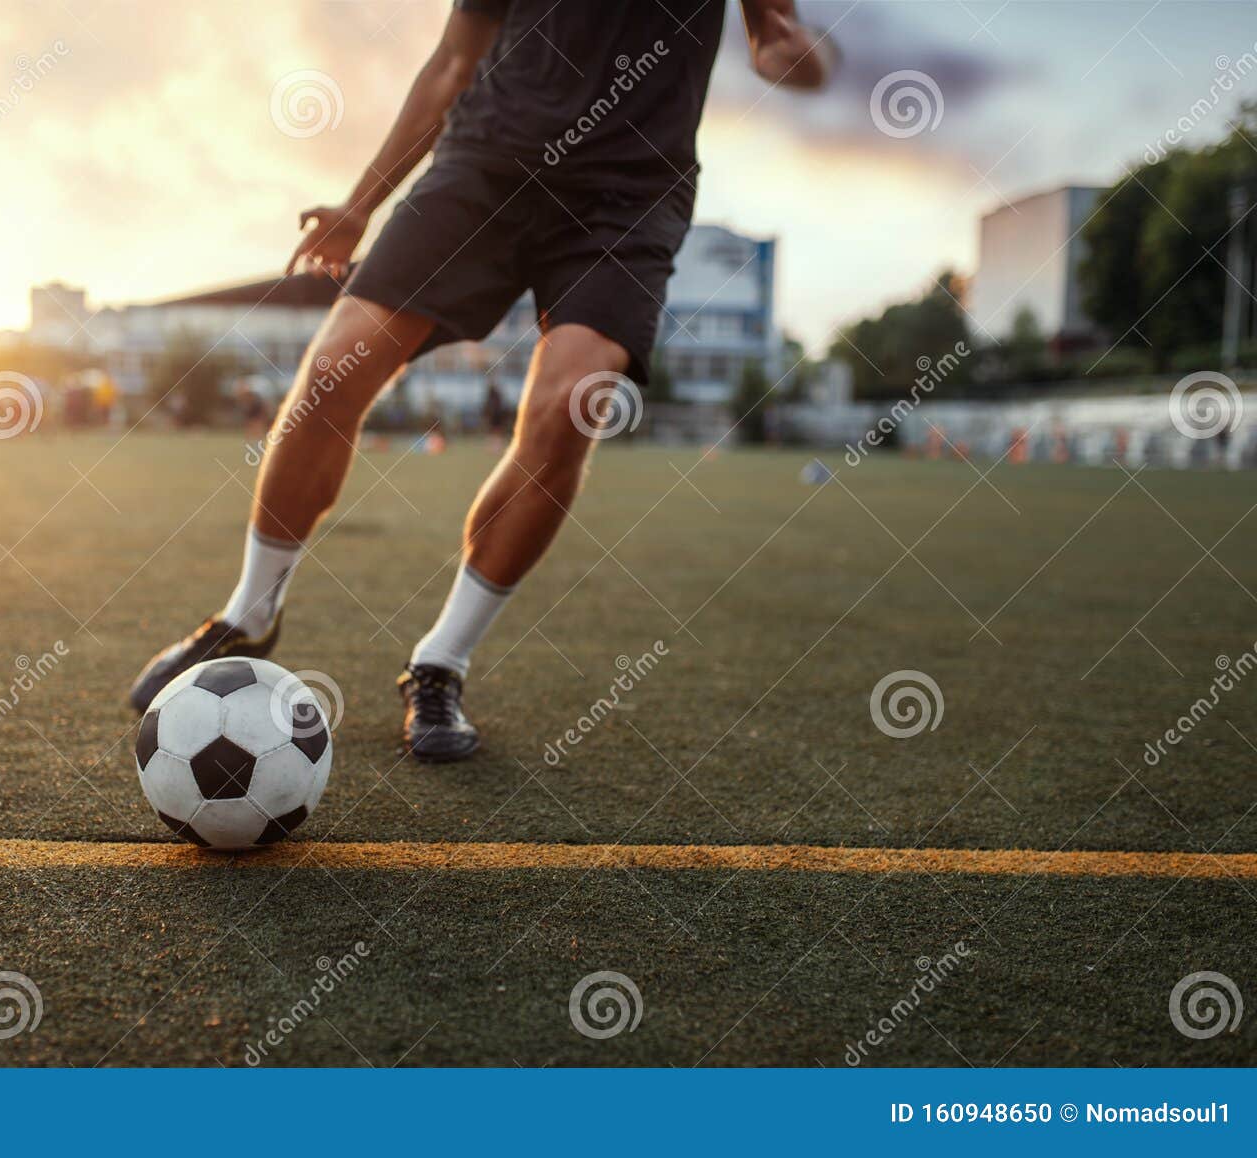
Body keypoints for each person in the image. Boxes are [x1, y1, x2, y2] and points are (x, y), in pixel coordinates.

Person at [130, 0, 829, 760]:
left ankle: (440, 663)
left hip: (626, 195)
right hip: (485, 165)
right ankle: (248, 612)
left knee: (570, 409)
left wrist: (793, 57)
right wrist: (360, 207)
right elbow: (454, 61)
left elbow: (774, 35)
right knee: (334, 372)